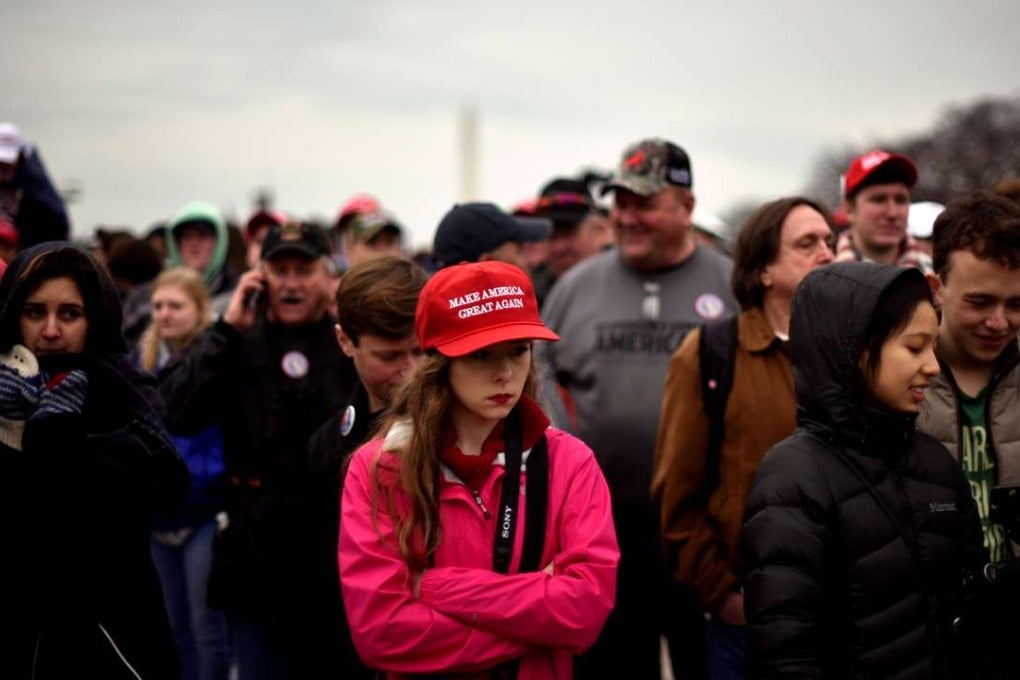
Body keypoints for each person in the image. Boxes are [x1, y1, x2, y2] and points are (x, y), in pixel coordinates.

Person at [339, 260, 619, 677]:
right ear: (437, 363)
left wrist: (434, 588)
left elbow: (583, 610)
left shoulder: (570, 462)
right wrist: (535, 620)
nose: (505, 373)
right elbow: (382, 633)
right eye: (481, 354)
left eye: (519, 350)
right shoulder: (379, 467)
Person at [539, 137, 737, 679]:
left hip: (703, 533)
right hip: (600, 532)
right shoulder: (576, 287)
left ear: (687, 207)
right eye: (620, 203)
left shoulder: (728, 283)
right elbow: (540, 368)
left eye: (644, 203)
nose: (628, 217)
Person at [742, 261, 987, 678]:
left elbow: (972, 608)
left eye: (933, 348)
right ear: (852, 350)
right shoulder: (794, 478)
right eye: (913, 348)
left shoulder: (934, 462)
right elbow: (787, 652)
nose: (932, 366)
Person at [160, 220, 357, 679]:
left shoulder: (346, 341)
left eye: (303, 270)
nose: (290, 283)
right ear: (260, 276)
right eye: (279, 270)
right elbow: (173, 411)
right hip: (256, 556)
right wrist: (224, 332)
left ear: (326, 275)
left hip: (331, 555)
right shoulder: (237, 340)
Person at [652, 197, 835, 679]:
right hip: (745, 623)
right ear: (764, 269)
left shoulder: (848, 351)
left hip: (837, 615)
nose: (827, 252)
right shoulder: (711, 353)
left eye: (829, 242)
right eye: (807, 243)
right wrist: (723, 595)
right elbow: (677, 493)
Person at [0, 242, 189, 678]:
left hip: (112, 637)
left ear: (94, 320)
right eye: (35, 312)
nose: (50, 330)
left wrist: (62, 437)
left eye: (69, 314)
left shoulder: (122, 390)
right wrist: (11, 435)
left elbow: (166, 485)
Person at [305, 255, 428, 678]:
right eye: (390, 356)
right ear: (345, 341)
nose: (411, 370)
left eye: (421, 351)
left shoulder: (473, 430)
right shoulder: (328, 447)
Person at [917, 190, 1020, 676]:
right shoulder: (897, 379)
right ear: (937, 287)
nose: (999, 322)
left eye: (1016, 303)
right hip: (928, 636)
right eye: (979, 302)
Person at [135, 267, 231, 680]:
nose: (164, 314)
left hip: (203, 511)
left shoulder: (213, 360)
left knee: (206, 626)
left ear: (200, 309)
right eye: (158, 305)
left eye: (175, 305)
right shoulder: (142, 360)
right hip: (159, 517)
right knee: (174, 628)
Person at [834, 149, 933, 274]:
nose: (892, 213)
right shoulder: (822, 282)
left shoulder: (937, 278)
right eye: (878, 200)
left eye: (900, 200)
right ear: (849, 209)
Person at [526, 177, 613, 306]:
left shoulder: (628, 284)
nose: (559, 248)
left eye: (568, 233)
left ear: (598, 230)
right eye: (551, 236)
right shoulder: (530, 299)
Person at [0, 122, 71, 249]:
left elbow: (56, 222)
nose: (4, 166)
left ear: (20, 155)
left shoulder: (36, 189)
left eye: (7, 162)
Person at [432, 202, 552, 271]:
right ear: (490, 263)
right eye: (519, 251)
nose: (529, 262)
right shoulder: (509, 313)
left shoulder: (427, 311)